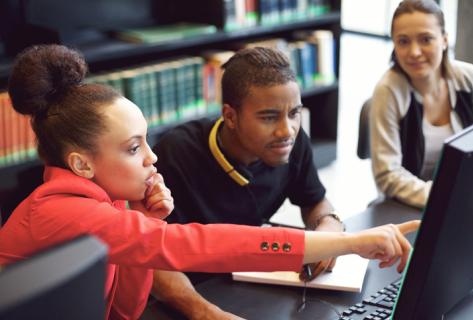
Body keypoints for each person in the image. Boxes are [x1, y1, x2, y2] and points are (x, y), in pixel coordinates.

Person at [0, 44, 419, 320]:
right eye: (133, 148)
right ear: (82, 164)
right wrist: (350, 242)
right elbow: (197, 244)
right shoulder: (62, 211)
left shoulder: (104, 206)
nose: (152, 156)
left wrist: (145, 218)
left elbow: (123, 311)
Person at [150, 47, 355, 319]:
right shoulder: (176, 153)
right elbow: (153, 258)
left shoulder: (292, 142)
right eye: (269, 117)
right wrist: (205, 313)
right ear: (230, 116)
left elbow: (314, 200)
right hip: (191, 292)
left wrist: (329, 226)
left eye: (294, 113)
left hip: (247, 279)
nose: (287, 130)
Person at [370, 0, 473, 208]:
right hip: (406, 206)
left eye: (426, 39)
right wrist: (443, 196)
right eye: (403, 41)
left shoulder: (469, 78)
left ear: (445, 40)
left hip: (463, 199)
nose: (414, 52)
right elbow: (388, 175)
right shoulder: (388, 91)